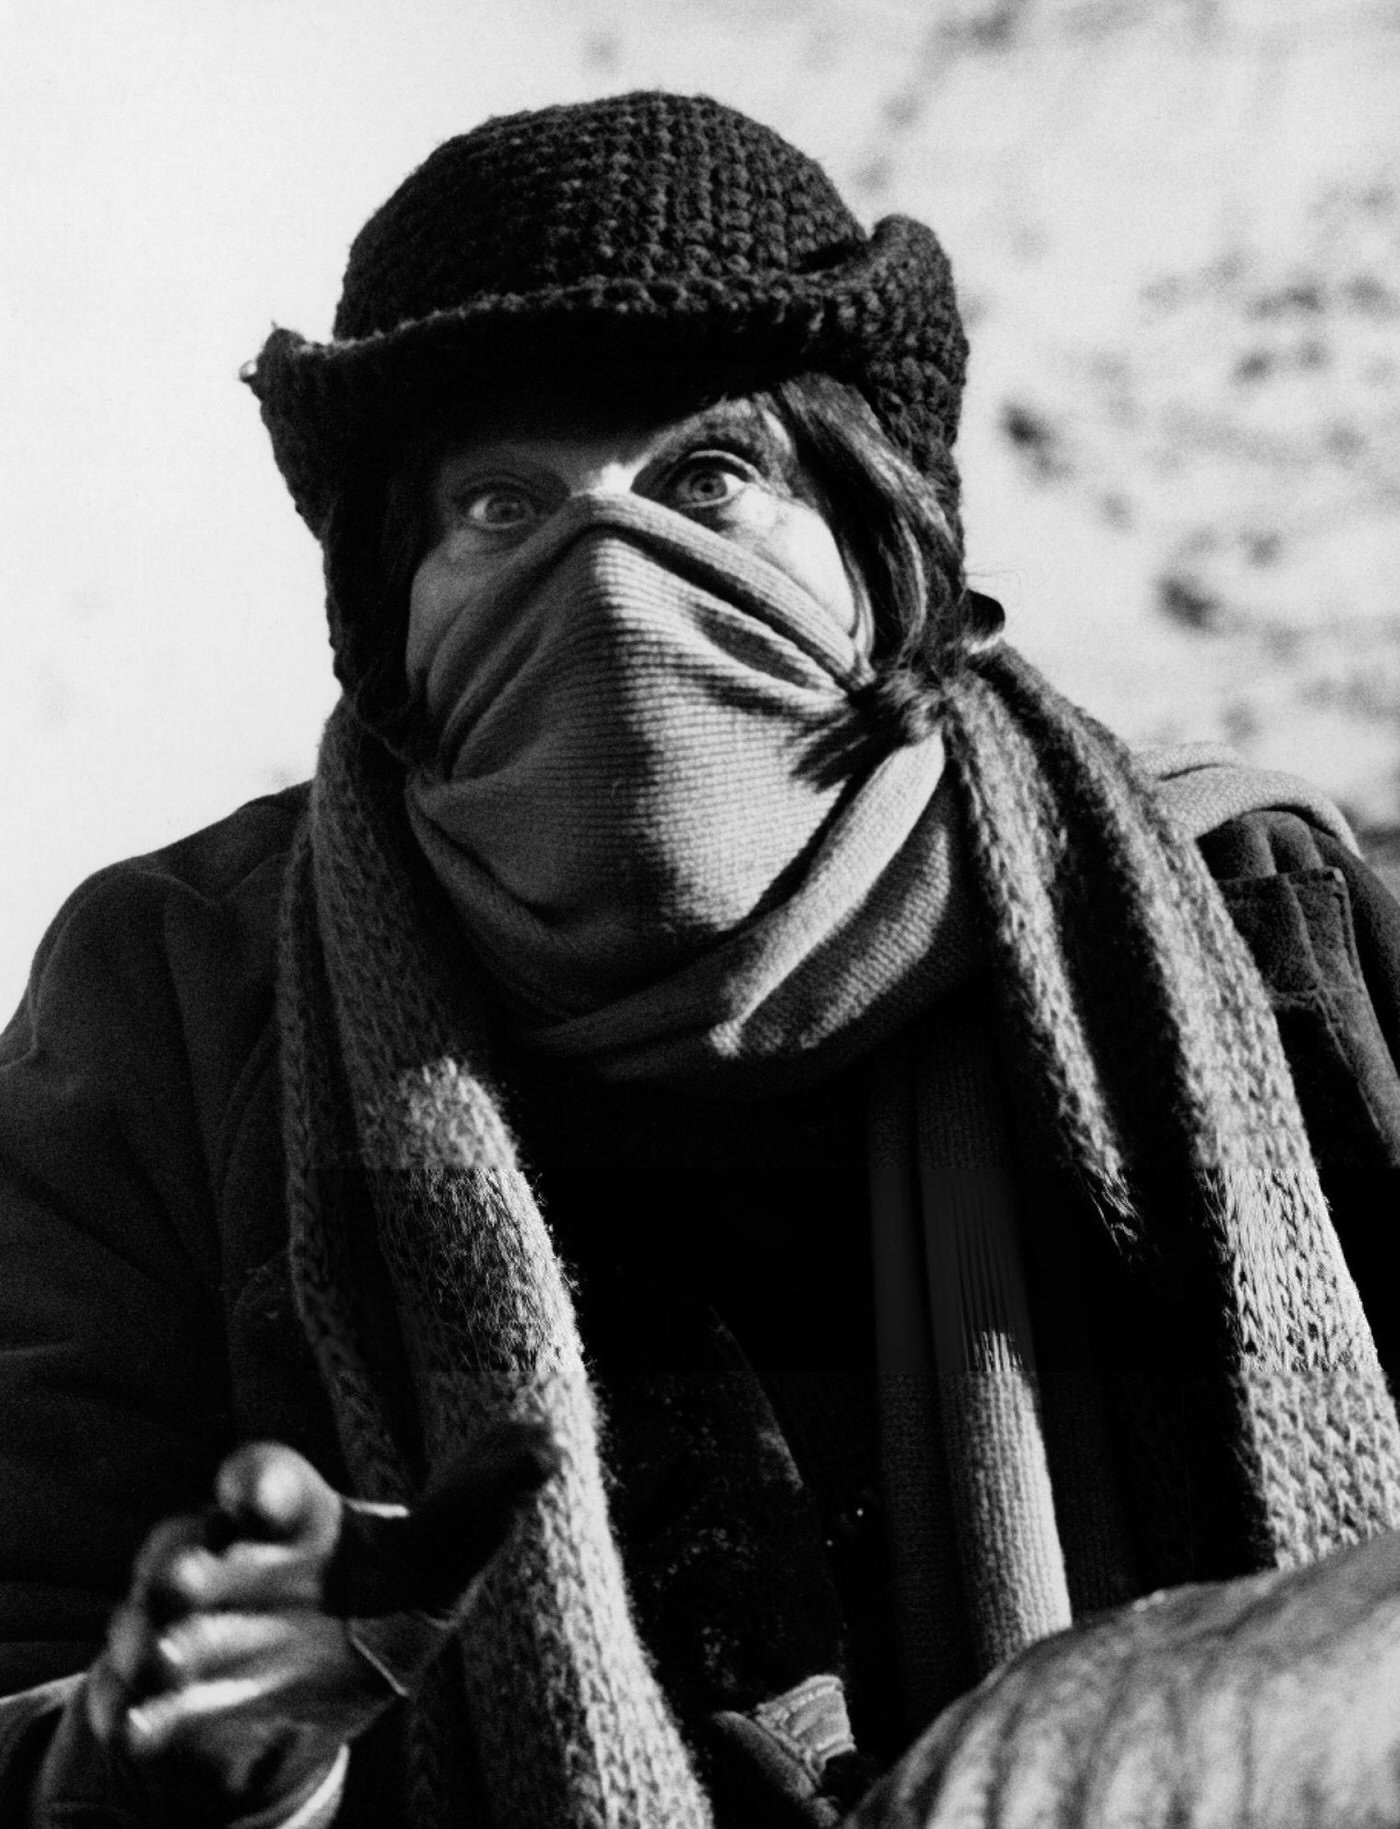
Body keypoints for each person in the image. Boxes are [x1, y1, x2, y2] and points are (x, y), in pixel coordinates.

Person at [2, 89, 1400, 1829]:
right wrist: (190, 1771)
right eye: (502, 507)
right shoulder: (175, 998)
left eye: (707, 478)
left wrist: (1187, 1729)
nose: (611, 571)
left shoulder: (1239, 924)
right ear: (388, 613)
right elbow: (31, 1668)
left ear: (881, 546)